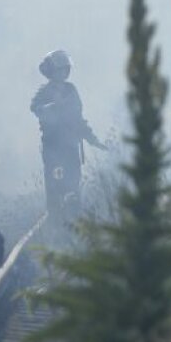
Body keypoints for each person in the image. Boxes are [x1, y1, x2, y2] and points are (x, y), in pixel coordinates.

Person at [30, 50, 104, 222]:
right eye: (59, 69)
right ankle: (54, 215)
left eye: (65, 69)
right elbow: (35, 108)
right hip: (52, 144)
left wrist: (92, 138)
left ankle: (74, 214)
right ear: (51, 71)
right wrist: (51, 106)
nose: (63, 73)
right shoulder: (44, 91)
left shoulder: (71, 90)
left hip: (71, 144)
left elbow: (79, 119)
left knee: (73, 179)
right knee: (54, 178)